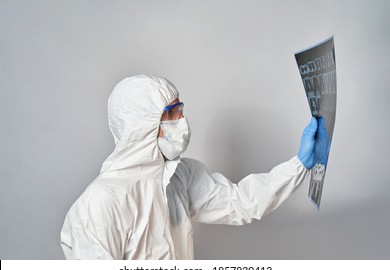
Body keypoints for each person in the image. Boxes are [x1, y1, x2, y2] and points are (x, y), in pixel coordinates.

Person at [60, 74, 325, 260]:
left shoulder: (178, 177)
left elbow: (240, 202)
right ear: (144, 124)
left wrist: (299, 165)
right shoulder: (101, 203)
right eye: (173, 111)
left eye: (181, 108)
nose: (183, 119)